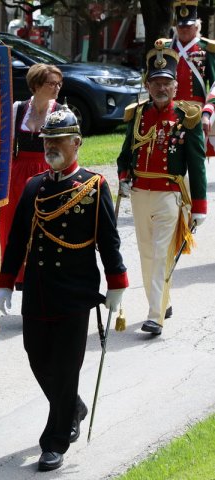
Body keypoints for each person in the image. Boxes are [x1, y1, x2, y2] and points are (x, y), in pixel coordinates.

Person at [0, 106, 128, 472]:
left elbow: (109, 241)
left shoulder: (93, 186)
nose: (51, 146)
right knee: (38, 358)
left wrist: (117, 282)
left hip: (74, 294)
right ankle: (72, 406)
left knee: (66, 367)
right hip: (37, 290)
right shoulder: (34, 186)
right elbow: (18, 237)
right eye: (46, 140)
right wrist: (6, 283)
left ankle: (54, 441)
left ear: (76, 142)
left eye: (57, 140)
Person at [117, 43, 207, 336]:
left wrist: (200, 206)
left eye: (166, 82)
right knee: (145, 253)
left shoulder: (187, 116)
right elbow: (125, 151)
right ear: (147, 84)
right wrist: (123, 175)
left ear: (175, 85)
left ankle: (155, 315)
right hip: (141, 192)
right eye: (155, 82)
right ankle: (161, 299)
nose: (161, 87)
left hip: (170, 194)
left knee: (160, 255)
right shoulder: (139, 114)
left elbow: (197, 163)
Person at [0, 63, 62, 288]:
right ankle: (18, 277)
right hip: (18, 176)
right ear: (35, 85)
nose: (56, 88)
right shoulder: (18, 109)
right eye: (51, 83)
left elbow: (72, 149)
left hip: (48, 173)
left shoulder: (63, 111)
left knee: (44, 227)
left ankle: (41, 277)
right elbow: (4, 145)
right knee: (15, 226)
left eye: (58, 83)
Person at [165, 1, 215, 153]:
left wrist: (208, 112)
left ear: (196, 26)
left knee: (195, 155)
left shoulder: (207, 49)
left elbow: (214, 85)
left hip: (197, 113)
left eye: (188, 25)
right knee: (172, 154)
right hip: (171, 111)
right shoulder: (167, 48)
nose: (184, 29)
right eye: (181, 26)